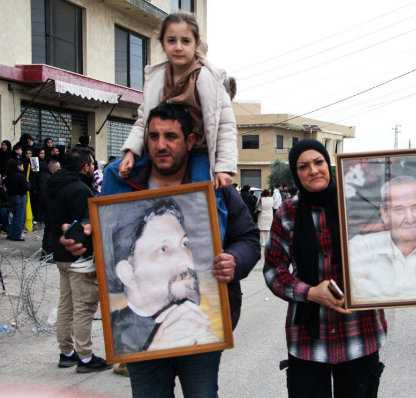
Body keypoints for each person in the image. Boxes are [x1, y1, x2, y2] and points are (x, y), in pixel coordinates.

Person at [62, 103, 260, 397]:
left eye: (171, 136)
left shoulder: (214, 183)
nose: (161, 145)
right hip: (138, 349)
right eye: (153, 136)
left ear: (190, 141)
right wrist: (84, 239)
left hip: (205, 332)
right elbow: (107, 238)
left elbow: (248, 238)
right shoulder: (124, 184)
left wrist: (235, 260)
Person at [264, 140, 386, 397]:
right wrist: (309, 293)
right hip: (308, 339)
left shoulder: (360, 205)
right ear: (295, 173)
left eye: (318, 162)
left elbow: (400, 241)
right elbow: (274, 270)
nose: (313, 170)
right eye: (303, 166)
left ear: (328, 164)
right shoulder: (287, 213)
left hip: (360, 331)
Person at [112, 11, 237, 238]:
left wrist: (223, 168)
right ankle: (108, 235)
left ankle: (213, 247)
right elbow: (143, 120)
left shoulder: (209, 77)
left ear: (196, 44)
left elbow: (226, 126)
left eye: (185, 41)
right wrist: (130, 152)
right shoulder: (156, 77)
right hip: (164, 148)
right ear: (162, 43)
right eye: (171, 40)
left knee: (207, 194)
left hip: (199, 151)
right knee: (113, 171)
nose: (178, 47)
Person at [107, 198, 219, 354]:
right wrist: (154, 351)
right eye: (163, 249)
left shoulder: (204, 322)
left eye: (185, 244)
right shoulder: (117, 333)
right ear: (128, 273)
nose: (187, 262)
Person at [45, 147, 111, 373]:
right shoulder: (81, 190)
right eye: (92, 164)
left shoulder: (54, 184)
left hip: (60, 252)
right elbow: (83, 227)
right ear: (85, 167)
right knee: (84, 307)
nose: (93, 167)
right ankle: (85, 357)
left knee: (67, 304)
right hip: (77, 256)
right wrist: (90, 259)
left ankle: (66, 352)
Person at [4, 159, 30, 241]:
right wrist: (28, 183)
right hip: (19, 196)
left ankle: (11, 233)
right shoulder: (21, 176)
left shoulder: (9, 175)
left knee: (14, 216)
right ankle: (17, 235)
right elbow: (26, 187)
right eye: (22, 166)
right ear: (19, 166)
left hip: (11, 196)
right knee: (19, 216)